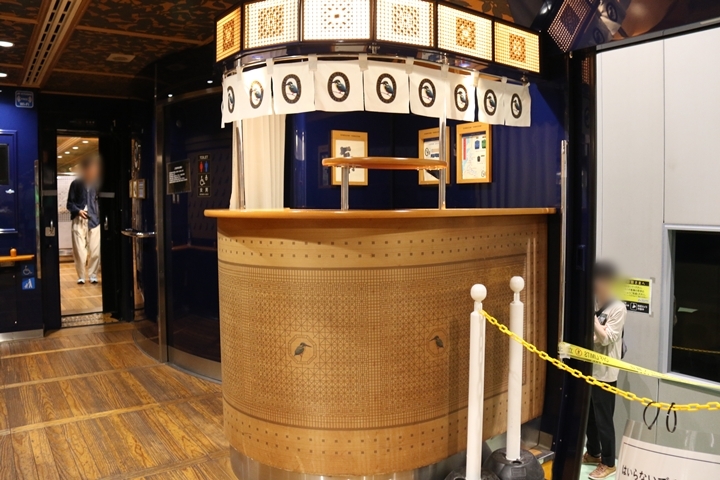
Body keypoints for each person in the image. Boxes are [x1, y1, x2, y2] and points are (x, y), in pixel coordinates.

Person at [583, 260, 627, 479]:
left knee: (604, 420)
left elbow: (607, 338)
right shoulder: (591, 301)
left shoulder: (618, 308)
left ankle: (608, 463)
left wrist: (591, 320)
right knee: (589, 416)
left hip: (605, 373)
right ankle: (593, 452)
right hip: (587, 369)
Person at [67, 155, 101, 285]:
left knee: (95, 250)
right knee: (80, 251)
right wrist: (78, 211)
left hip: (94, 220)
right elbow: (69, 204)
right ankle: (81, 276)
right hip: (78, 220)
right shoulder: (75, 184)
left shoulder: (97, 184)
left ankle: (93, 275)